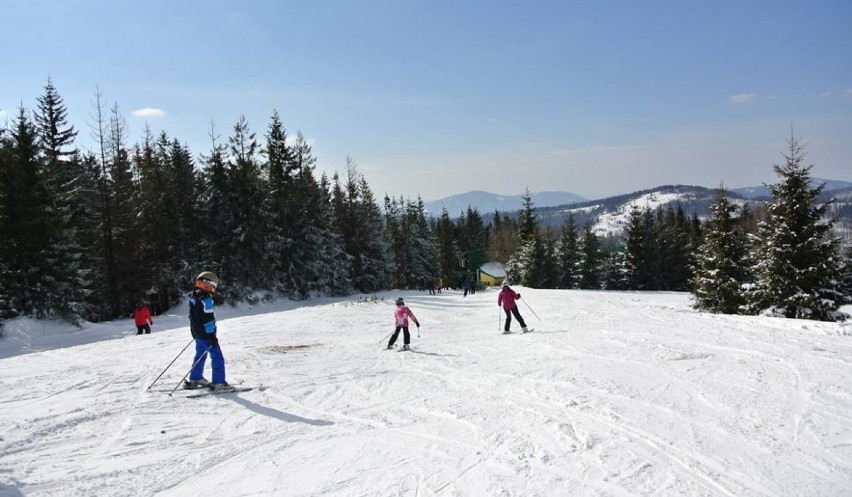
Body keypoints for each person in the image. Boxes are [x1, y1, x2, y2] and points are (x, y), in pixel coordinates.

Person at [186, 271, 232, 392]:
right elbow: (208, 318)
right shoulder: (206, 299)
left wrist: (194, 332)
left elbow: (192, 317)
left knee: (200, 354)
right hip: (207, 335)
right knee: (217, 356)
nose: (214, 289)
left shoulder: (194, 296)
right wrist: (212, 335)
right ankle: (219, 383)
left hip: (198, 333)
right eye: (214, 285)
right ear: (207, 284)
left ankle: (195, 378)